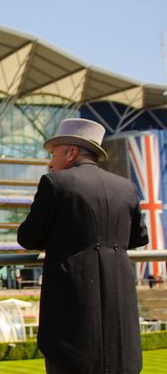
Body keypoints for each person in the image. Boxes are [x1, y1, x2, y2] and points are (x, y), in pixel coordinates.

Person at [17, 118, 148, 374]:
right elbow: (137, 238)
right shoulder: (126, 187)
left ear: (71, 152)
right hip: (119, 305)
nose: (50, 161)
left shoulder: (56, 183)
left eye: (53, 152)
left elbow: (28, 238)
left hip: (72, 307)